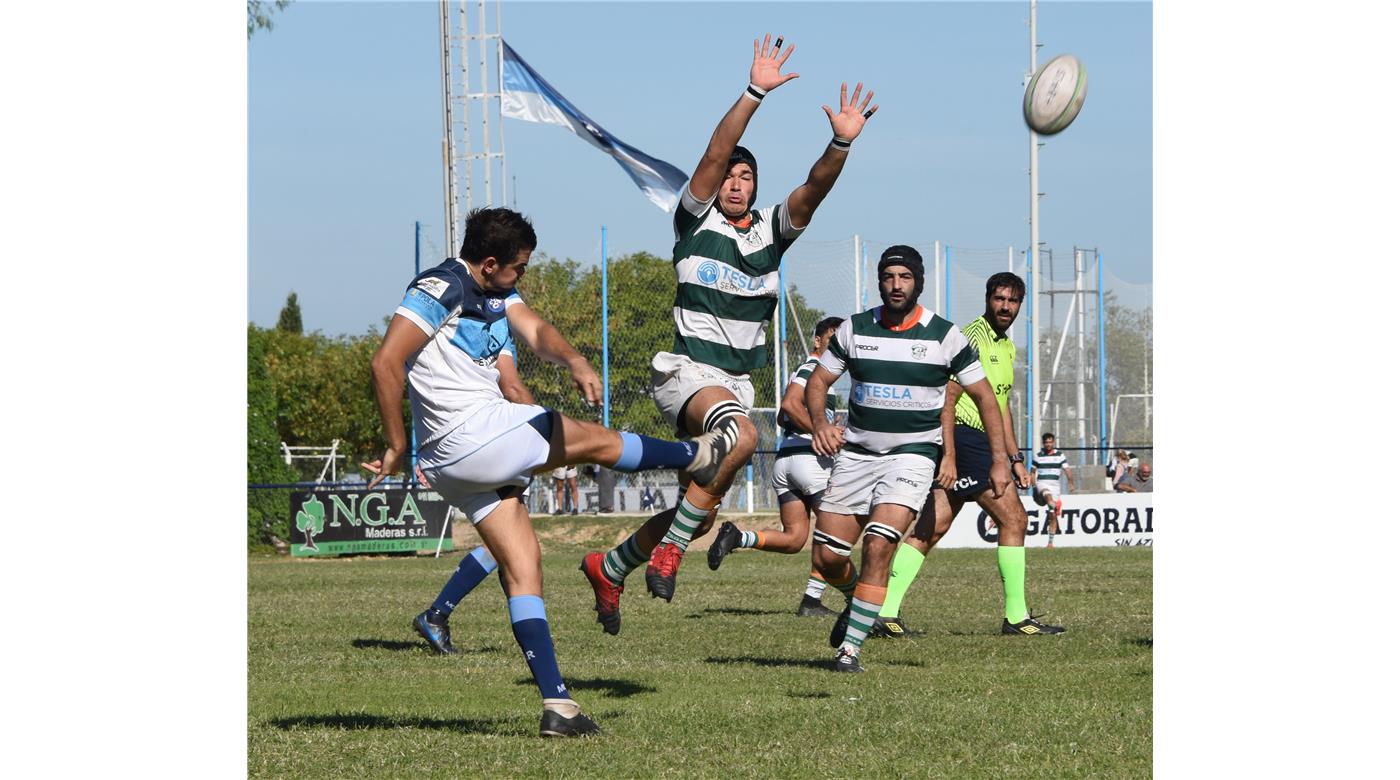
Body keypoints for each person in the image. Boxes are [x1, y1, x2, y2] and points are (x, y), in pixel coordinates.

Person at [362, 207, 739, 738]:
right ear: (490, 263)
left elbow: (535, 328)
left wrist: (576, 361)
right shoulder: (439, 286)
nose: (522, 276)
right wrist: (397, 443)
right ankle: (697, 455)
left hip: (460, 459)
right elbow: (385, 362)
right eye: (518, 268)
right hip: (471, 434)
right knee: (595, 440)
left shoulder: (491, 290)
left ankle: (557, 707)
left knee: (523, 566)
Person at [580, 33, 878, 634]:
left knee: (699, 504)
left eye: (747, 176)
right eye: (730, 176)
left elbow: (813, 187)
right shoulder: (692, 221)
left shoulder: (770, 233)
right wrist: (753, 93)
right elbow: (715, 150)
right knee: (741, 436)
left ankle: (609, 566)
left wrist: (840, 142)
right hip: (688, 373)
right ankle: (668, 559)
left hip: (735, 381)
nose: (736, 182)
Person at [807, 246, 1011, 673]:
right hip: (857, 456)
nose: (896, 285)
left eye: (904, 277)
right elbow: (818, 380)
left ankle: (850, 651)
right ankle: (855, 602)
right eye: (888, 277)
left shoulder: (944, 335)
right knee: (827, 557)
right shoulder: (854, 330)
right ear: (879, 281)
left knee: (879, 544)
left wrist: (999, 460)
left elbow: (985, 399)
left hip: (913, 456)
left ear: (917, 281)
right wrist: (819, 423)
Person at [867, 273, 1065, 639]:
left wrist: (1015, 457)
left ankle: (884, 612)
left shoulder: (1006, 346)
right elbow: (949, 398)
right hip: (964, 437)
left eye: (1012, 301)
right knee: (1015, 519)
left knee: (932, 526)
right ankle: (1017, 618)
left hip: (978, 440)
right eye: (999, 299)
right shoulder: (972, 336)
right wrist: (951, 456)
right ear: (988, 299)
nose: (1005, 307)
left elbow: (999, 405)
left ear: (1020, 305)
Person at [707, 316, 846, 618]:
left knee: (796, 537)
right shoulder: (813, 368)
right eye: (833, 337)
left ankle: (738, 537)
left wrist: (822, 425)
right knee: (837, 534)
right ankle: (853, 602)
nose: (838, 344)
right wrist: (821, 431)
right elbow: (789, 406)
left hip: (787, 462)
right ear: (818, 341)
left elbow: (786, 418)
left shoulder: (818, 374)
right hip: (810, 461)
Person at [1030, 433, 1075, 549]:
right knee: (1048, 497)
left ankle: (1050, 543)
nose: (1048, 444)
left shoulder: (1060, 455)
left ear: (1053, 442)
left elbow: (1067, 469)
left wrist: (1071, 482)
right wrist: (1034, 487)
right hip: (1042, 483)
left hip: (1055, 486)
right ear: (1043, 443)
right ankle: (1051, 503)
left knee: (1053, 516)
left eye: (1050, 442)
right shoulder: (1038, 456)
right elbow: (1033, 473)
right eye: (1046, 442)